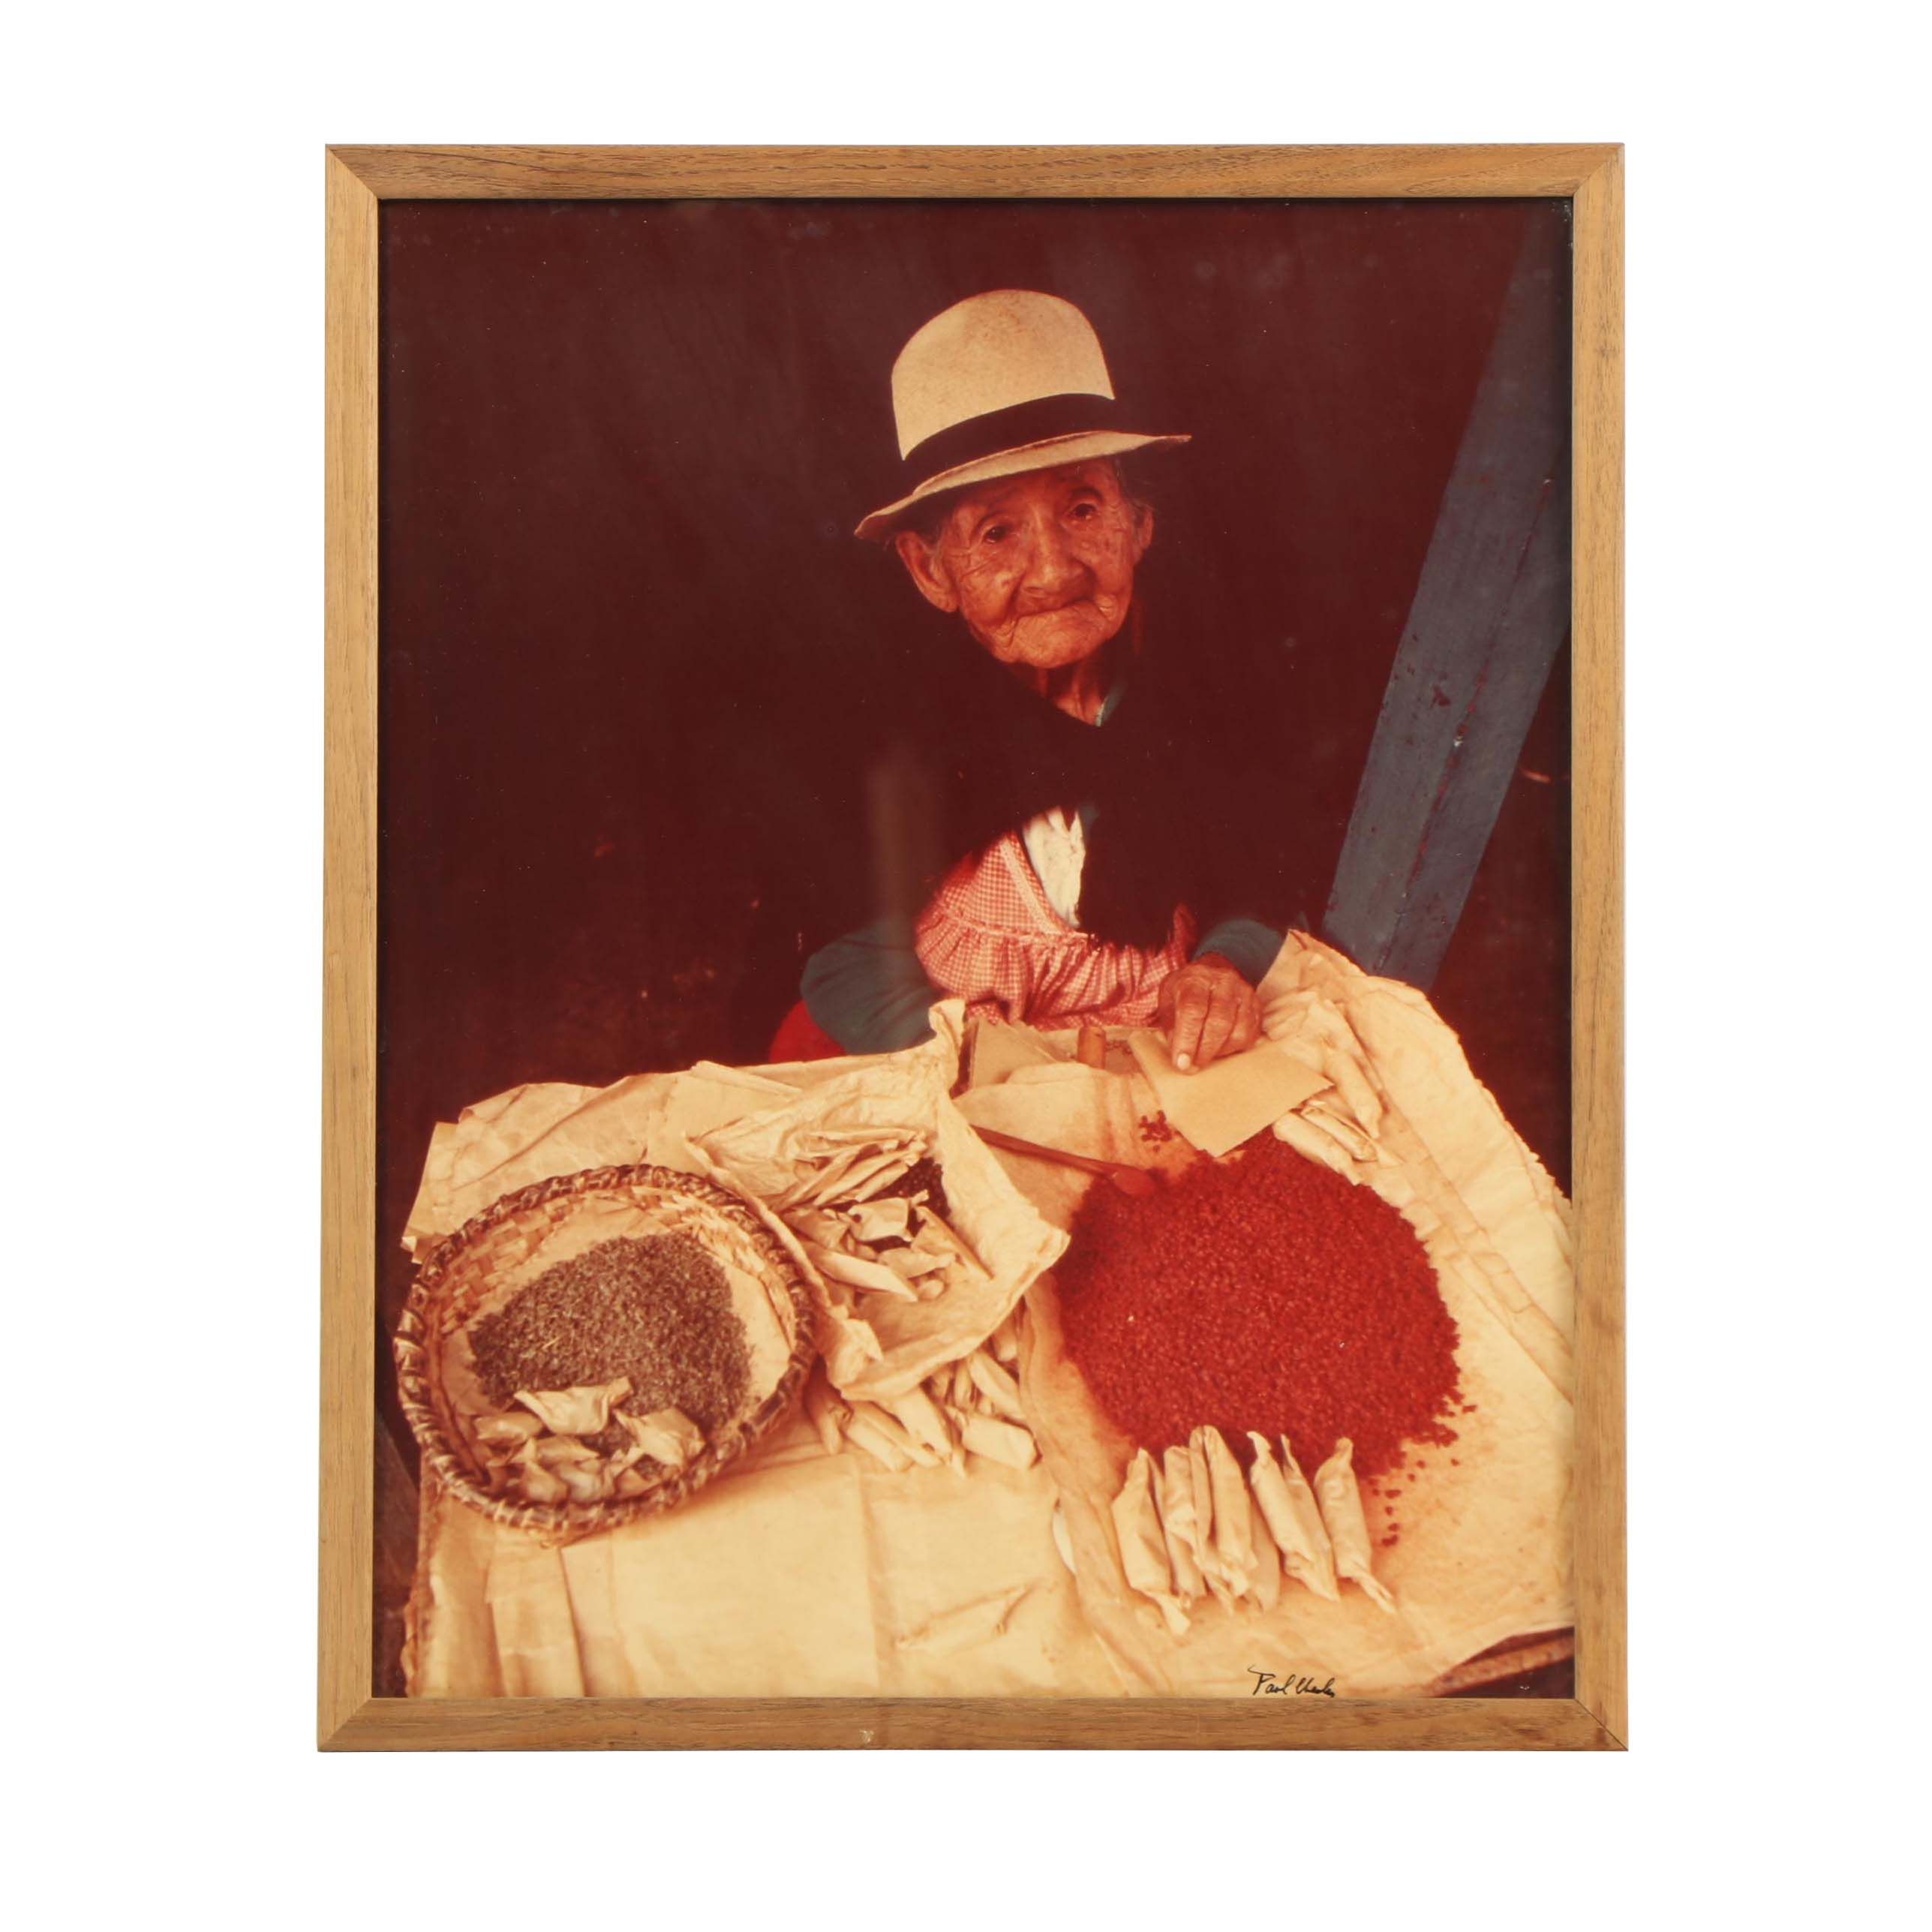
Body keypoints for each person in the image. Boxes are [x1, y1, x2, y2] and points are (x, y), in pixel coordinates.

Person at [779, 290, 1287, 1072]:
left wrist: (1220, 967)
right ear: (930, 569)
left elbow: (1253, 881)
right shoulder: (901, 737)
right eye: (998, 531)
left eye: (1083, 509)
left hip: (1148, 1044)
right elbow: (846, 964)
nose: (1052, 571)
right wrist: (999, 1070)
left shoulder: (1199, 700)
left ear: (1138, 526)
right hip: (948, 1053)